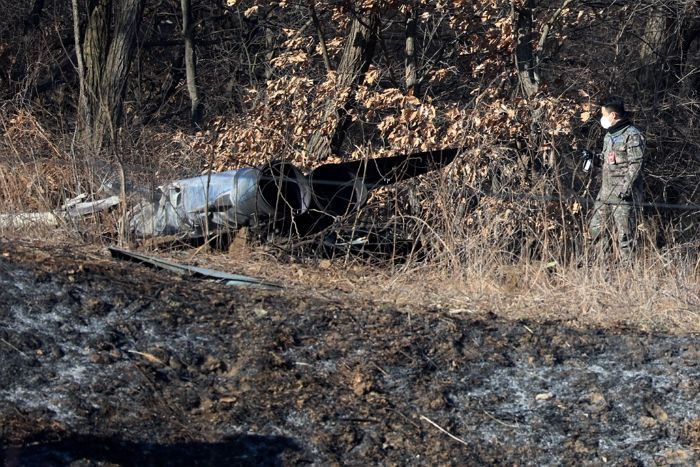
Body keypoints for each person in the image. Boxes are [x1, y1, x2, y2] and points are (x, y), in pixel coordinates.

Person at [588, 96, 645, 260]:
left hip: (623, 195)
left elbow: (636, 164)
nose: (602, 118)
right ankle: (603, 267)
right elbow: (609, 160)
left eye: (604, 114)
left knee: (625, 237)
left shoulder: (632, 135)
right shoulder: (609, 135)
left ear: (613, 115)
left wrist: (624, 189)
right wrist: (593, 158)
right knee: (596, 228)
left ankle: (627, 276)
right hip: (605, 192)